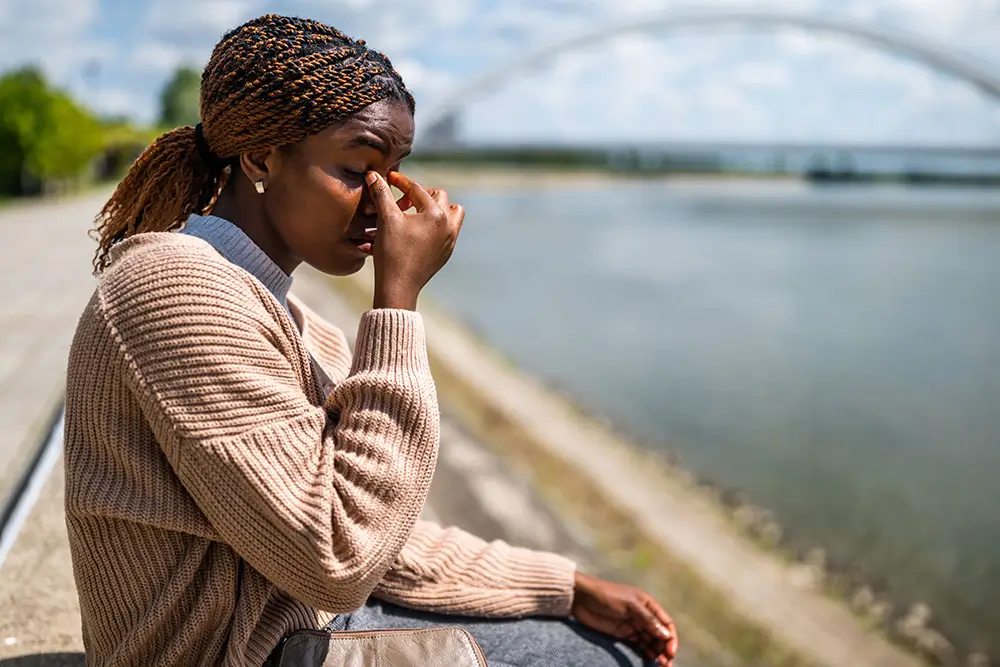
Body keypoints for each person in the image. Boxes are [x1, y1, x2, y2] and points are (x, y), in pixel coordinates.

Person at [64, 14, 679, 667]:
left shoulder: (274, 308)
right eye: (358, 168)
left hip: (277, 629)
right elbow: (340, 554)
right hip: (238, 652)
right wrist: (398, 301)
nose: (384, 202)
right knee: (610, 661)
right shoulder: (178, 292)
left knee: (588, 633)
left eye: (394, 171)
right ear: (260, 157)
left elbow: (379, 538)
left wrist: (564, 587)